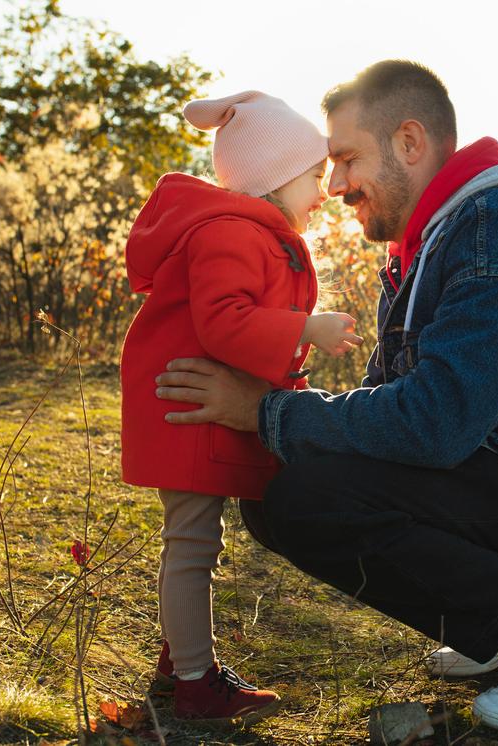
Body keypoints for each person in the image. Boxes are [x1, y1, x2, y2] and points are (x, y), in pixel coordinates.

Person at [153, 61, 498, 735]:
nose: (333, 185)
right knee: (281, 487)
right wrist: (275, 414)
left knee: (307, 496)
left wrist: (264, 412)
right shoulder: (428, 244)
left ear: (410, 143)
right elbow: (384, 405)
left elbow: (435, 421)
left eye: (345, 159)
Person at [119, 90, 362, 723]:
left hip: (199, 408)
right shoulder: (229, 232)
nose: (325, 190)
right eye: (313, 176)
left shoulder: (250, 231)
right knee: (193, 542)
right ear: (276, 178)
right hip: (187, 409)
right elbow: (226, 325)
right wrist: (305, 329)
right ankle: (197, 684)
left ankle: (180, 665)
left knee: (196, 541)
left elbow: (241, 330)